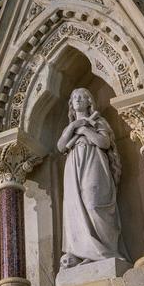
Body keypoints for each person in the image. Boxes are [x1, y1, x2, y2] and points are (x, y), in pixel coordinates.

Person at [56, 88, 129, 268]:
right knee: (76, 208)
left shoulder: (98, 121)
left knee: (93, 204)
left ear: (90, 101)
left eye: (82, 96)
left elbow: (104, 142)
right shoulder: (70, 127)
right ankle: (85, 252)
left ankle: (105, 252)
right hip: (74, 166)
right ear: (71, 104)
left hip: (94, 162)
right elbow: (60, 146)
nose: (78, 99)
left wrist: (85, 130)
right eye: (74, 97)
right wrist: (74, 126)